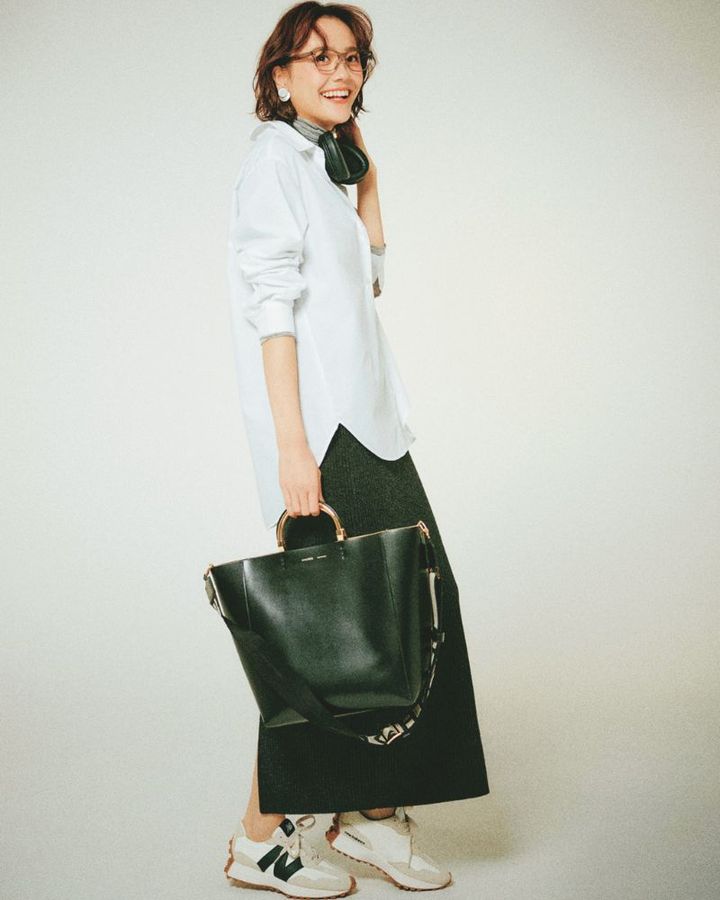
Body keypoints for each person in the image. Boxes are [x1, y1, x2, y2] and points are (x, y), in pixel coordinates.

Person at [223, 3, 490, 897]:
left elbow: (369, 276)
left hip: (372, 427)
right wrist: (294, 451)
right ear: (280, 74)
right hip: (328, 435)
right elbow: (271, 312)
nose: (340, 72)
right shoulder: (274, 162)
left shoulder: (321, 164)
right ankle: (260, 837)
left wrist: (364, 173)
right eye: (319, 57)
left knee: (402, 618)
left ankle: (370, 814)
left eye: (353, 59)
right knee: (333, 636)